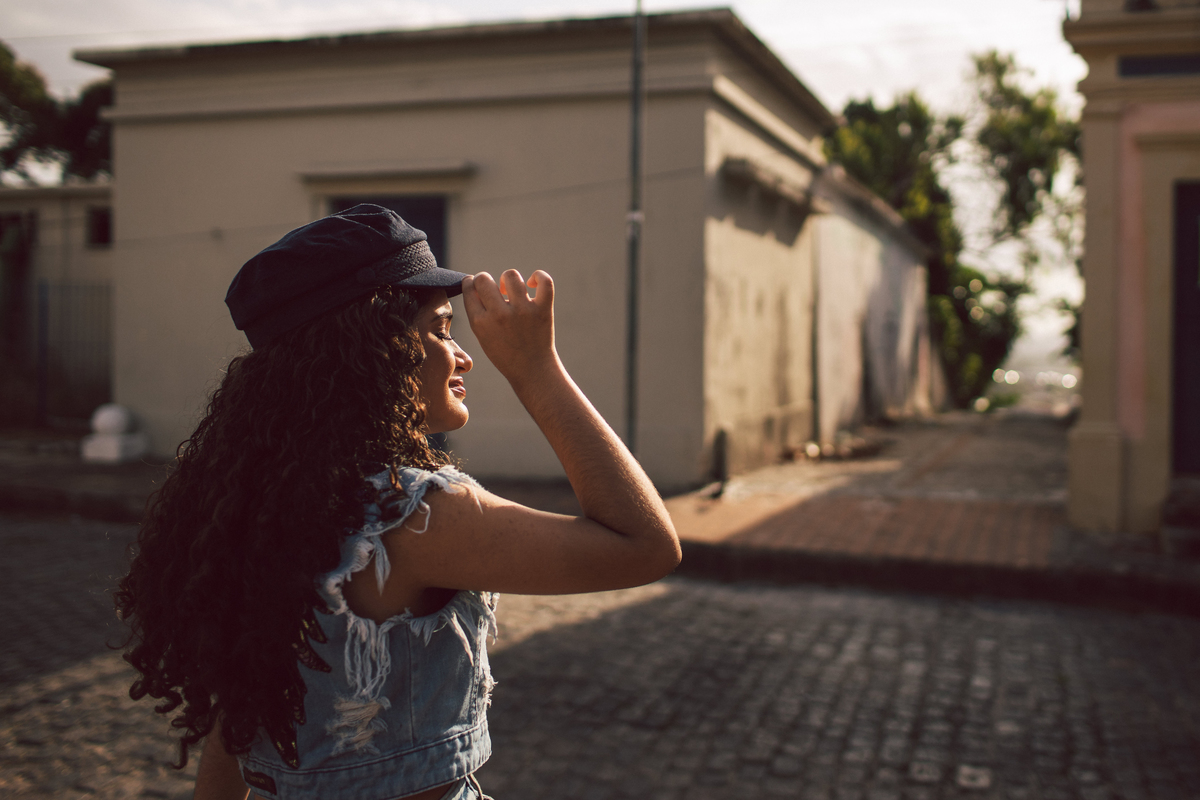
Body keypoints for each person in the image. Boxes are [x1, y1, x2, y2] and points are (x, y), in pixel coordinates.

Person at [114, 204, 681, 800]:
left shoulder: (258, 503)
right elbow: (643, 545)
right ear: (376, 350)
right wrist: (536, 370)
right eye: (441, 329)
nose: (463, 355)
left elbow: (237, 717)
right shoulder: (413, 516)